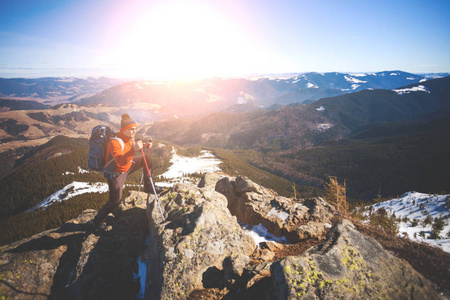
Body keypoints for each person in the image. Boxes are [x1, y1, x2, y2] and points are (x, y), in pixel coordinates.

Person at [91, 113, 155, 227]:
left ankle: (149, 187)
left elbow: (131, 146)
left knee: (148, 160)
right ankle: (97, 221)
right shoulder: (114, 142)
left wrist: (145, 145)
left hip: (127, 166)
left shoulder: (129, 137)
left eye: (135, 129)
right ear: (124, 129)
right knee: (114, 202)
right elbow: (120, 161)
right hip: (115, 174)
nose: (134, 131)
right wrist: (133, 150)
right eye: (131, 129)